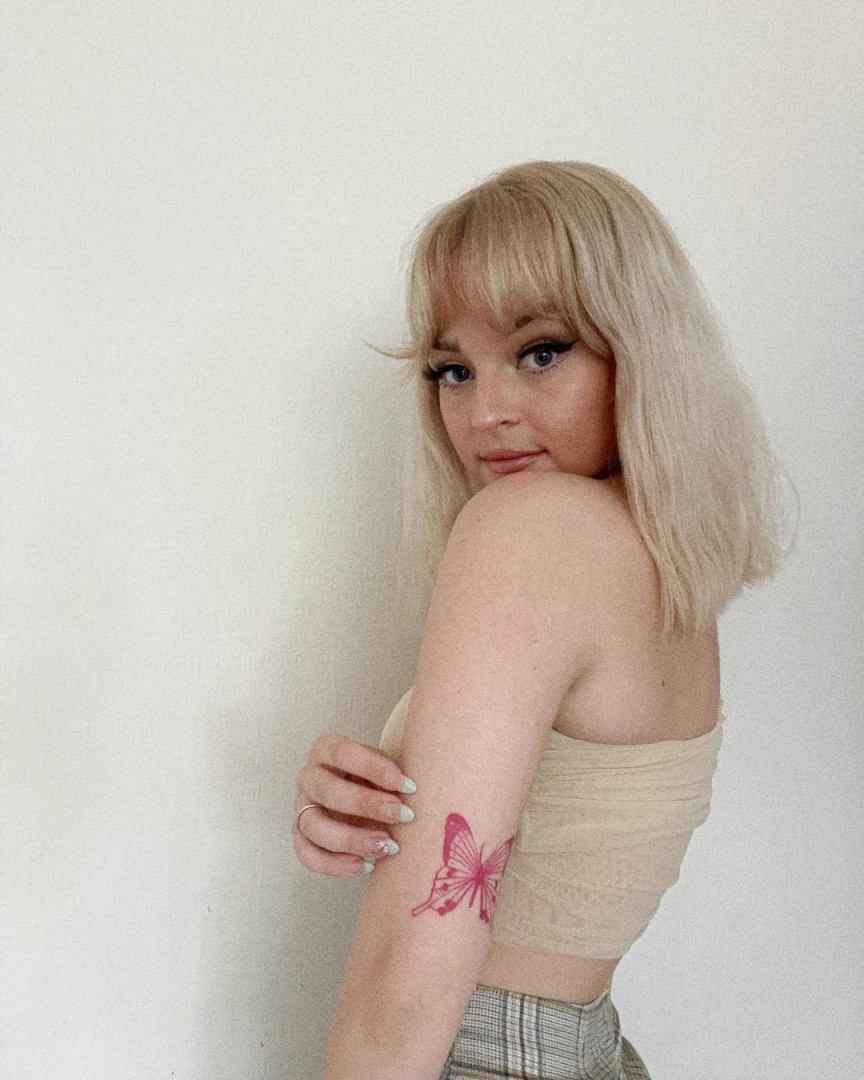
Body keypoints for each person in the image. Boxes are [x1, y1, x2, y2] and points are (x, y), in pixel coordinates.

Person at [292, 160, 795, 1080]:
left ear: (638, 347)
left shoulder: (530, 529)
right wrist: (385, 794)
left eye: (541, 352)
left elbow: (409, 981)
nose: (485, 413)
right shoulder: (662, 560)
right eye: (452, 370)